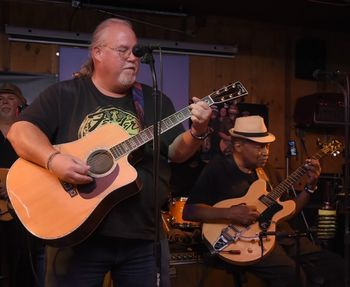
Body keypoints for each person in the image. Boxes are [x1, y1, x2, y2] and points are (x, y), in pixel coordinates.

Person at [7, 18, 212, 287]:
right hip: (78, 236)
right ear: (98, 53)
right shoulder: (65, 94)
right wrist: (53, 160)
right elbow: (19, 132)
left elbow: (176, 152)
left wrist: (198, 130)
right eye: (123, 50)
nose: (133, 58)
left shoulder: (154, 100)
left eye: (135, 52)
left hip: (144, 236)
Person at [183, 115, 345, 287]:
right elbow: (190, 211)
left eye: (267, 145)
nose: (266, 151)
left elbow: (290, 209)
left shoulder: (267, 171)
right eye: (259, 146)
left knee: (337, 266)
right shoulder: (218, 168)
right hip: (248, 240)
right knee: (292, 275)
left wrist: (310, 186)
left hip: (281, 235)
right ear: (238, 145)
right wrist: (230, 213)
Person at [0, 82, 43, 287]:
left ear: (21, 104)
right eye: (0, 99)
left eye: (10, 97)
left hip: (25, 211)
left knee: (25, 266)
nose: (4, 101)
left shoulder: (31, 134)